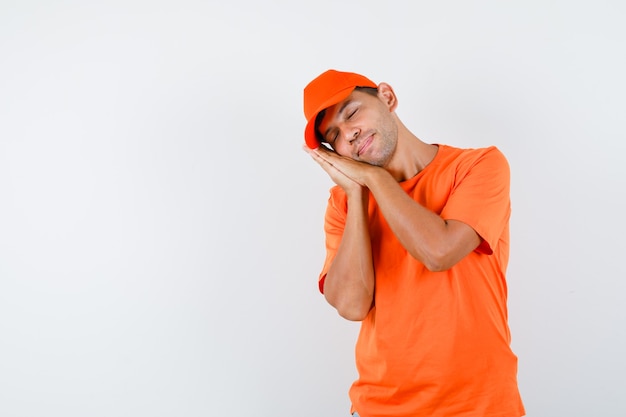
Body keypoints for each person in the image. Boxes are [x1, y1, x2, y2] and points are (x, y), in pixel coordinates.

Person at [302, 69, 525, 417]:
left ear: (387, 97)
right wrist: (358, 194)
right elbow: (351, 305)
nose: (350, 133)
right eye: (335, 135)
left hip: (481, 405)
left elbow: (440, 251)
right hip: (380, 407)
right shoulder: (344, 203)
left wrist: (375, 177)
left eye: (352, 113)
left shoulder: (477, 166)